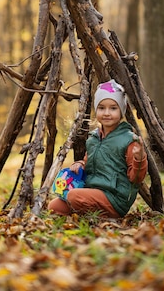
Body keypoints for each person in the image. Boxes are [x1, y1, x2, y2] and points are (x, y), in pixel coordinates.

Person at [48, 79, 148, 218]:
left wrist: (139, 158)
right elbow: (89, 162)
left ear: (122, 110)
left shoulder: (129, 140)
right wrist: (81, 164)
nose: (107, 113)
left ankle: (100, 216)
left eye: (113, 108)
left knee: (74, 196)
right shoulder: (94, 138)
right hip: (92, 191)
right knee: (54, 207)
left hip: (114, 198)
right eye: (101, 108)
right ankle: (87, 213)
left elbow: (136, 178)